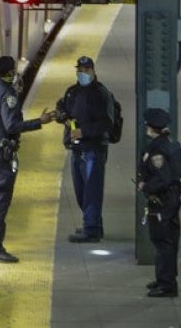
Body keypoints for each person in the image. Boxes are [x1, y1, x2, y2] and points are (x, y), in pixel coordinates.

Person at [0, 55, 57, 263]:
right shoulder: (7, 94)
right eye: (13, 71)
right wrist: (40, 121)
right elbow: (11, 126)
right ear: (9, 73)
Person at [55, 55, 117, 243]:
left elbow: (108, 122)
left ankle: (91, 229)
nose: (82, 74)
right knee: (81, 190)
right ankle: (94, 224)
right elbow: (62, 107)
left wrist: (83, 132)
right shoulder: (72, 92)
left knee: (92, 190)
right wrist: (62, 115)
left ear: (93, 71)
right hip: (77, 150)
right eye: (80, 70)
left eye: (86, 70)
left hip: (93, 150)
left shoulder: (101, 94)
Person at [138, 107, 181, 298]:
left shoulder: (157, 149)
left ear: (150, 127)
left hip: (163, 201)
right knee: (166, 241)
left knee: (163, 241)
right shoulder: (170, 143)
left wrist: (145, 186)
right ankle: (164, 278)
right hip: (170, 199)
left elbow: (163, 178)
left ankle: (167, 285)